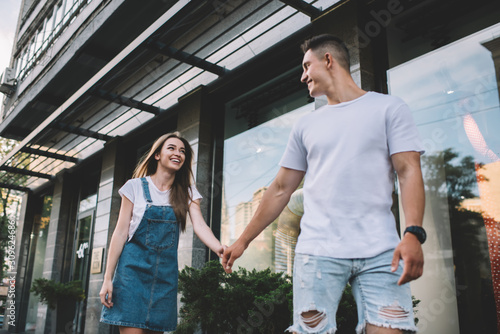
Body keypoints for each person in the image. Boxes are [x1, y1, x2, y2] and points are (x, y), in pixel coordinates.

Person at [222, 34, 426, 334]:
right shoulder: (306, 125)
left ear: (328, 60)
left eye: (307, 66)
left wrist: (413, 233)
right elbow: (280, 189)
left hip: (382, 250)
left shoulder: (389, 108)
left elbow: (408, 170)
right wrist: (242, 241)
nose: (303, 76)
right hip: (317, 251)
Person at [100, 132, 224, 334]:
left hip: (164, 279)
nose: (178, 153)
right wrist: (107, 279)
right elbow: (120, 233)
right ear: (157, 155)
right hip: (131, 275)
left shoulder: (188, 192)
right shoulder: (135, 187)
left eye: (182, 151)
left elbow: (200, 225)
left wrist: (219, 248)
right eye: (172, 148)